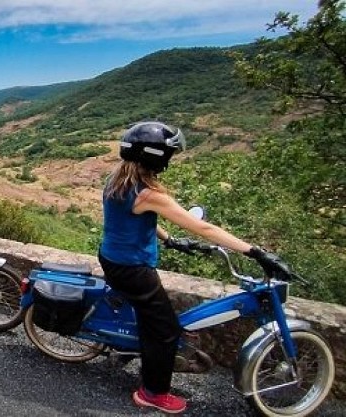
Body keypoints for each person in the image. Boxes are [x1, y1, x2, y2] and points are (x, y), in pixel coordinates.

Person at [98, 121, 288, 414]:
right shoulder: (149, 194)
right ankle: (152, 393)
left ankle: (131, 349)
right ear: (156, 157)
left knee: (150, 316)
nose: (170, 160)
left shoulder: (117, 179)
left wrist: (169, 239)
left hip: (111, 257)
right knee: (165, 331)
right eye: (169, 154)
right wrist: (255, 252)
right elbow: (203, 228)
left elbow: (136, 220)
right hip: (132, 268)